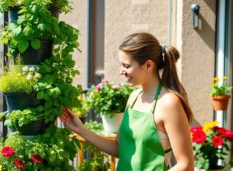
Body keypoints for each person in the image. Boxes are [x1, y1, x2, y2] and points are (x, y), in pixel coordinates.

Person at [60, 32, 194, 171]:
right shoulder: (134, 97)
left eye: (126, 66)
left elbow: (185, 164)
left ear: (148, 65)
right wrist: (80, 129)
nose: (121, 71)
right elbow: (119, 148)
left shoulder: (169, 103)